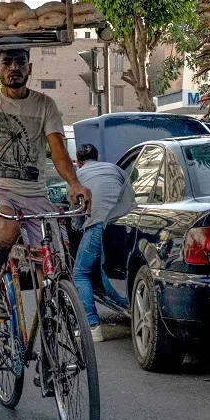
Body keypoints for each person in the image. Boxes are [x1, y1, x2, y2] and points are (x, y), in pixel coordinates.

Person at [0, 48, 91, 315]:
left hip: (36, 197)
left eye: (20, 62)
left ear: (30, 68)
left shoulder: (45, 104)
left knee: (55, 260)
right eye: (7, 62)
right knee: (8, 227)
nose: (14, 67)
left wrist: (74, 183)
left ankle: (52, 325)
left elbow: (57, 149)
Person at [71, 144, 129, 342]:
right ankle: (134, 305)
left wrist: (79, 227)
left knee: (80, 273)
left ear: (78, 162)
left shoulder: (77, 178)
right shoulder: (114, 168)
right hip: (126, 223)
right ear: (98, 157)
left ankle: (91, 326)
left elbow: (76, 211)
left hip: (98, 224)